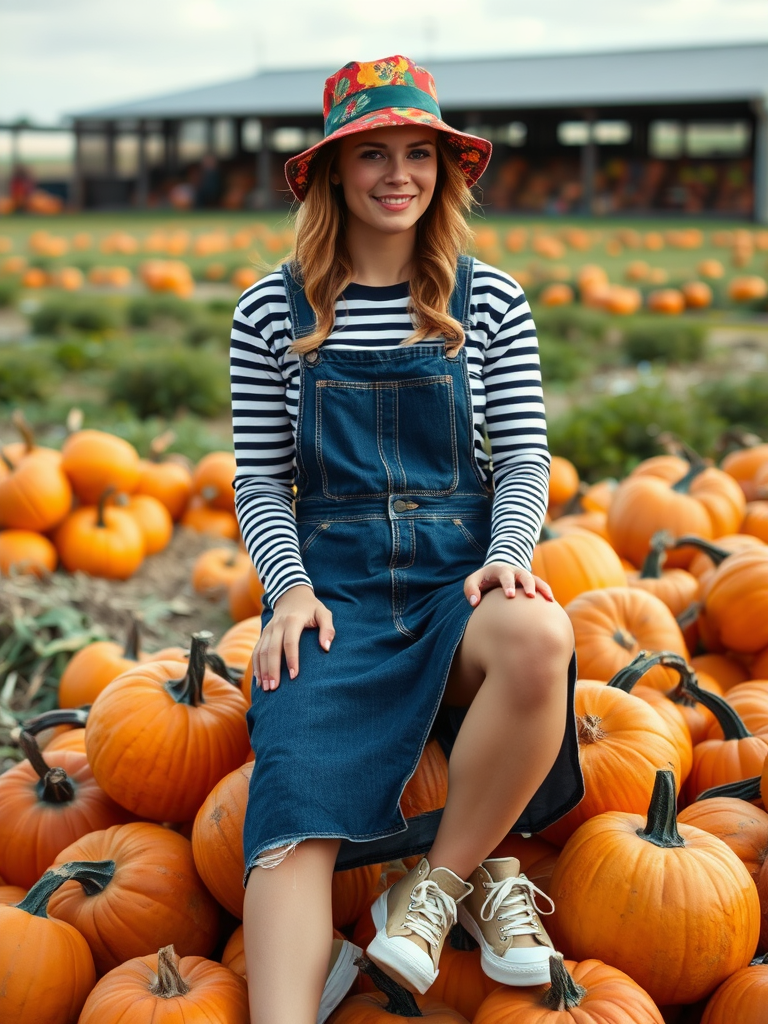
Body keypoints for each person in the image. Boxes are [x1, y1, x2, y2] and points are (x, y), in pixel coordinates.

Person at [230, 54, 583, 1024]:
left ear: (445, 168)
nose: (399, 173)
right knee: (292, 804)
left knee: (540, 634)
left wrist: (509, 550)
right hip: (334, 594)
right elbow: (260, 477)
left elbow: (522, 458)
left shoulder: (490, 301)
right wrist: (290, 589)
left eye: (418, 152)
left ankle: (434, 884)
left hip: (452, 581)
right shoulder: (271, 309)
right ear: (335, 172)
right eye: (374, 153)